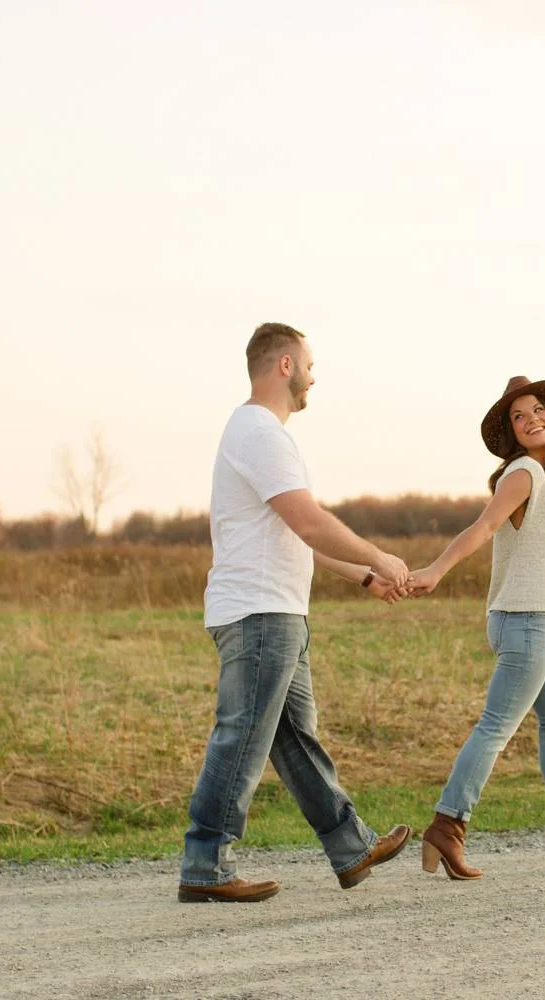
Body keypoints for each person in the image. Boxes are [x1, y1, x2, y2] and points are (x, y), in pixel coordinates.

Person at [178, 322, 413, 902]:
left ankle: (350, 847)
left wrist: (361, 575)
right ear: (284, 365)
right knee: (242, 739)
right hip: (260, 615)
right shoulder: (259, 431)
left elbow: (294, 535)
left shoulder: (258, 433)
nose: (313, 376)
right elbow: (309, 520)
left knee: (292, 740)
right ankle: (205, 866)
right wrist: (379, 554)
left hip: (276, 611)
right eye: (308, 364)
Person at [407, 375, 545, 879]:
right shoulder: (520, 475)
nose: (530, 419)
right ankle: (447, 826)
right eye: (518, 416)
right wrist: (435, 569)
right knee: (496, 727)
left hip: (543, 621)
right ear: (512, 432)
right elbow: (483, 528)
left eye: (537, 410)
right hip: (522, 621)